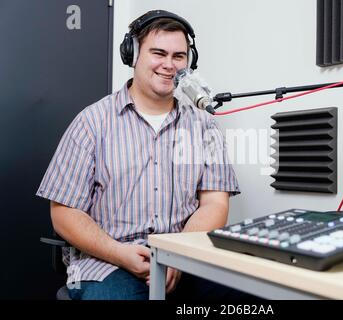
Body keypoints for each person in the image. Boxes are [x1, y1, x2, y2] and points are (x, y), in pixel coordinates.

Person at [36, 10, 245, 300]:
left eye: (179, 57)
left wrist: (176, 254)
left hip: (183, 260)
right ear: (132, 54)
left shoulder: (204, 125)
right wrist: (119, 253)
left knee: (248, 297)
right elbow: (63, 214)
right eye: (158, 53)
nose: (169, 65)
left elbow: (214, 204)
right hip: (107, 263)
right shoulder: (91, 122)